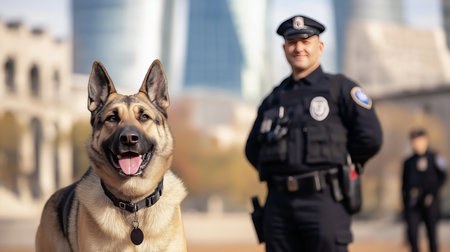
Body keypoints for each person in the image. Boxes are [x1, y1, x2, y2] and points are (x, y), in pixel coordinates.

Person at [245, 15, 383, 252]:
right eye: (292, 42)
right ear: (284, 48)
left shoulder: (340, 89)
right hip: (278, 206)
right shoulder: (273, 99)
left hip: (325, 200)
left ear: (319, 47)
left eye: (305, 41)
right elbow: (252, 149)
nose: (298, 48)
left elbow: (370, 137)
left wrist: (342, 164)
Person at [402, 129, 447, 252]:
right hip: (413, 202)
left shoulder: (435, 157)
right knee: (412, 234)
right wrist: (405, 205)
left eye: (418, 140)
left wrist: (432, 194)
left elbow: (443, 177)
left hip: (430, 202)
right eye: (414, 141)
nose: (416, 144)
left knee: (432, 235)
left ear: (425, 140)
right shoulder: (408, 161)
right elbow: (404, 185)